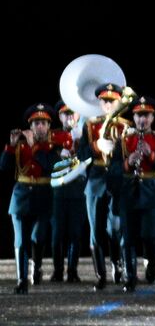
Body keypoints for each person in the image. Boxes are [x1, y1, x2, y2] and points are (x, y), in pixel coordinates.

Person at [77, 82, 129, 290]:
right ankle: (101, 275)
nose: (108, 105)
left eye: (112, 101)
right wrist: (96, 146)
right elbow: (81, 155)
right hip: (96, 179)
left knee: (115, 227)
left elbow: (130, 154)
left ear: (118, 102)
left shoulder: (125, 126)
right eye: (105, 101)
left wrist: (116, 151)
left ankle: (117, 263)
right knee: (96, 229)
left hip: (117, 179)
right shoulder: (90, 125)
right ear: (100, 103)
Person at [4, 105, 55, 293]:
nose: (39, 127)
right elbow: (4, 166)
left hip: (43, 195)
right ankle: (21, 280)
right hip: (22, 196)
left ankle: (37, 266)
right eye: (35, 124)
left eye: (43, 123)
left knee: (38, 238)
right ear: (30, 127)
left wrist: (35, 147)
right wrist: (11, 145)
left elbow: (50, 166)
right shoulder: (20, 145)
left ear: (48, 126)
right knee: (21, 240)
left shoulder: (52, 145)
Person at [118, 97, 155, 292]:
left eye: (145, 116)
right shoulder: (124, 140)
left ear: (152, 118)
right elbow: (113, 168)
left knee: (150, 236)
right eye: (138, 116)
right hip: (129, 190)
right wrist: (128, 162)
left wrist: (151, 155)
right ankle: (130, 276)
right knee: (128, 237)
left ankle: (151, 266)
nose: (141, 120)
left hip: (151, 191)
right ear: (134, 118)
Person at [49, 103, 87, 283]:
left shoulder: (83, 134)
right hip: (58, 190)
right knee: (57, 234)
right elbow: (47, 158)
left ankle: (72, 271)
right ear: (60, 116)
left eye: (72, 113)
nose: (70, 117)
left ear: (78, 115)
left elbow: (89, 157)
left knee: (75, 233)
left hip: (77, 188)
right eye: (66, 114)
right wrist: (58, 152)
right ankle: (57, 271)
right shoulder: (53, 135)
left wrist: (80, 142)